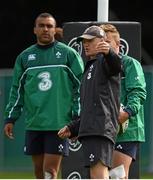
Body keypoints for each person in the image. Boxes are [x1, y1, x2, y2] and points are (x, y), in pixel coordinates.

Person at [3, 12, 84, 179]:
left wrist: (76, 118)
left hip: (59, 124)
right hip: (35, 123)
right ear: (35, 30)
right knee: (39, 173)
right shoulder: (24, 57)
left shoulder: (68, 54)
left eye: (49, 26)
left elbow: (82, 87)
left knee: (50, 172)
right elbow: (17, 90)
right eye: (41, 26)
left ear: (55, 30)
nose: (45, 29)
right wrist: (10, 118)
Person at [58, 25, 122, 179]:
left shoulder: (104, 62)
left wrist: (109, 52)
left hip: (100, 130)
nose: (85, 44)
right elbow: (90, 108)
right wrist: (74, 127)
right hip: (93, 130)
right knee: (96, 175)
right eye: (83, 41)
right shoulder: (90, 67)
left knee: (98, 175)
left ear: (102, 41)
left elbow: (116, 65)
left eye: (90, 40)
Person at [99, 23, 147, 179]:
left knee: (117, 175)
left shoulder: (129, 63)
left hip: (125, 129)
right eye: (100, 41)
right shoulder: (96, 67)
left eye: (106, 41)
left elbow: (138, 92)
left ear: (118, 44)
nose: (102, 44)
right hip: (102, 128)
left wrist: (126, 113)